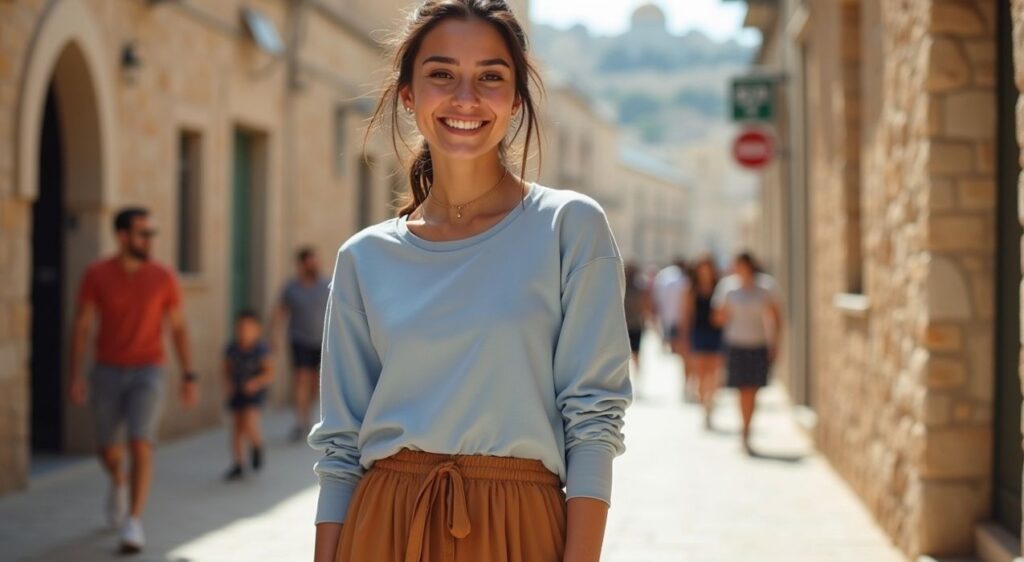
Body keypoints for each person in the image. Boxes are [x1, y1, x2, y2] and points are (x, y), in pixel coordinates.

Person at [308, 2, 632, 561]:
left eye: (490, 76)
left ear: (516, 98)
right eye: (441, 74)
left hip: (520, 526)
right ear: (408, 93)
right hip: (383, 524)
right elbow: (340, 445)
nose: (466, 97)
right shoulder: (364, 258)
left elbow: (594, 421)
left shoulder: (570, 227)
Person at [67, 207, 198, 554]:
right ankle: (118, 480)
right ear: (122, 236)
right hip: (107, 369)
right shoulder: (96, 274)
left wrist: (188, 374)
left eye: (152, 233)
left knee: (141, 441)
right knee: (107, 449)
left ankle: (133, 521)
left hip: (149, 368)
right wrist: (76, 375)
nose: (149, 240)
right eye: (143, 233)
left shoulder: (164, 276)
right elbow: (81, 326)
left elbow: (178, 327)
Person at [712, 252, 783, 454]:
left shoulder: (766, 287)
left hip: (757, 344)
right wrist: (723, 312)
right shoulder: (728, 287)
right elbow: (717, 318)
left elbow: (776, 317)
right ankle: (744, 429)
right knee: (741, 389)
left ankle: (748, 428)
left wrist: (775, 343)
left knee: (753, 390)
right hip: (736, 344)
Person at [271, 247, 330, 442]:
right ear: (301, 265)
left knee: (315, 382)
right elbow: (280, 311)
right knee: (301, 379)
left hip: (322, 340)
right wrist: (273, 336)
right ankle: (300, 421)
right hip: (299, 340)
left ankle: (311, 416)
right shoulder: (291, 288)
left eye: (315, 261)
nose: (313, 266)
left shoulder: (326, 284)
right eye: (309, 263)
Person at [223, 309, 274, 480]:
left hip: (254, 393)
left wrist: (256, 383)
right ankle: (238, 463)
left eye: (248, 328)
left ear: (257, 330)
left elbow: (269, 373)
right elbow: (226, 369)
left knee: (249, 422)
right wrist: (228, 383)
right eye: (240, 328)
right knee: (236, 427)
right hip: (237, 391)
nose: (244, 332)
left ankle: (257, 445)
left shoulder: (261, 349)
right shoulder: (232, 348)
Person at [681, 255, 724, 429]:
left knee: (714, 373)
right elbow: (686, 316)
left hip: (716, 334)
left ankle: (710, 404)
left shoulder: (719, 288)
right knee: (700, 373)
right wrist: (684, 339)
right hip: (698, 333)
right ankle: (703, 406)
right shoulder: (692, 290)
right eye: (702, 268)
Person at [650, 258, 692, 399]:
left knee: (682, 353)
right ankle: (686, 383)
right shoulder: (683, 280)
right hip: (680, 319)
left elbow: (657, 297)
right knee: (684, 354)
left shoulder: (664, 277)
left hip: (669, 317)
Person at [623, 261, 650, 384]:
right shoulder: (623, 287)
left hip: (630, 325)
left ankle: (635, 378)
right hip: (629, 325)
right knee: (632, 354)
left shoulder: (629, 288)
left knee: (634, 354)